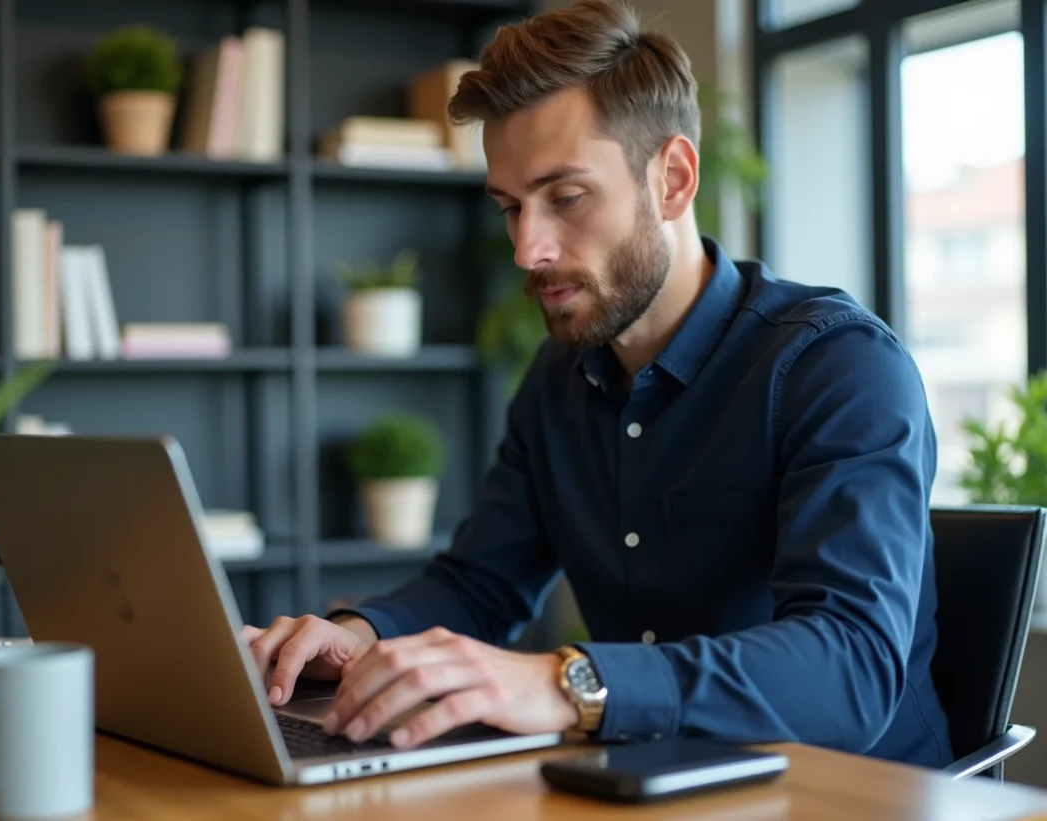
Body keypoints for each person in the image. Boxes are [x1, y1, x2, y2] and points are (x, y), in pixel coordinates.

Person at [241, 0, 954, 769]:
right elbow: (481, 583)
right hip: (650, 779)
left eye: (566, 197)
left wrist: (570, 681)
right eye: (512, 208)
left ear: (673, 178)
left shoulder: (837, 367)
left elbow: (850, 668)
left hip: (846, 794)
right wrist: (356, 636)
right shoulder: (558, 380)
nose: (527, 249)